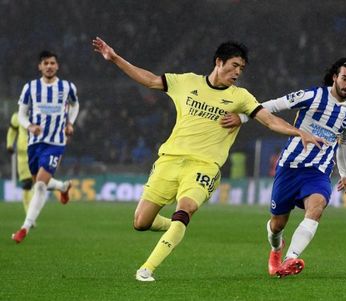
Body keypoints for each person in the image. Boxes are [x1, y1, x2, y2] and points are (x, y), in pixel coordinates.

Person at [92, 37, 324, 282]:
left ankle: (147, 268)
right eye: (234, 65)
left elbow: (268, 120)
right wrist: (115, 58)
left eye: (241, 69)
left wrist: (297, 131)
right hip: (169, 160)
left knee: (186, 209)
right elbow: (148, 79)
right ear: (218, 62)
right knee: (141, 222)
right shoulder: (186, 82)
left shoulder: (241, 97)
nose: (237, 72)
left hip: (204, 166)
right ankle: (174, 227)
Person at [222, 57, 346, 277]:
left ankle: (291, 258)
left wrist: (344, 173)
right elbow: (274, 105)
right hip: (289, 167)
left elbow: (345, 140)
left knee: (317, 207)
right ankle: (277, 249)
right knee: (277, 225)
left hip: (318, 171)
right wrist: (242, 117)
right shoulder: (312, 96)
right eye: (345, 78)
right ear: (335, 77)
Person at [11, 50, 78, 243]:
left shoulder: (67, 87)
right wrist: (29, 126)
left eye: (52, 63)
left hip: (56, 143)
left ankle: (24, 228)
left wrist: (70, 122)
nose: (49, 66)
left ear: (57, 66)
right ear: (40, 66)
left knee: (40, 185)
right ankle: (63, 187)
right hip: (34, 144)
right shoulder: (30, 88)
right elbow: (22, 114)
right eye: (45, 63)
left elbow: (75, 105)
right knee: (39, 182)